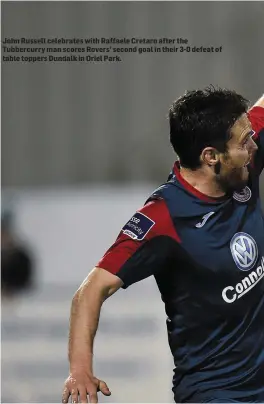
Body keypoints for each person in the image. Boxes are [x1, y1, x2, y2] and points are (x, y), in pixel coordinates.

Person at [62, 87, 264, 403]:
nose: (254, 146)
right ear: (210, 156)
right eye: (244, 142)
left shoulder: (238, 158)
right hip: (216, 393)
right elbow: (90, 290)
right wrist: (80, 369)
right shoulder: (163, 218)